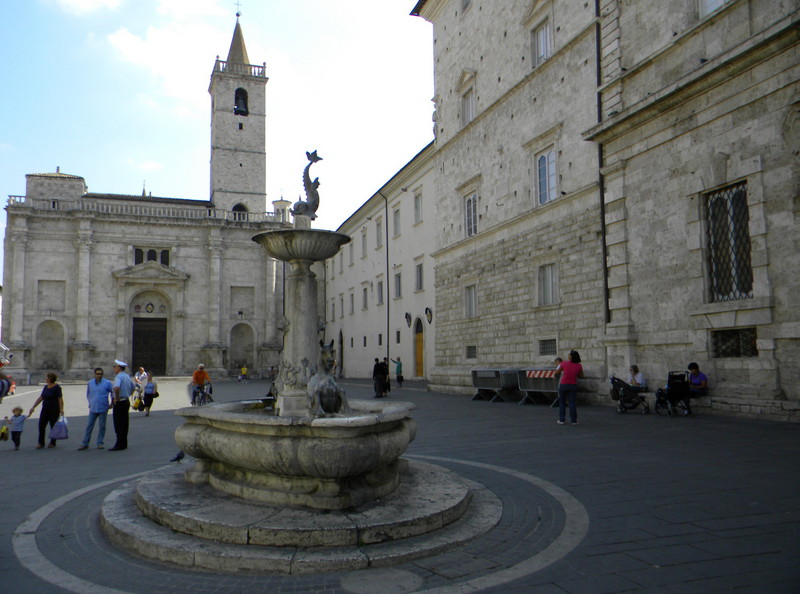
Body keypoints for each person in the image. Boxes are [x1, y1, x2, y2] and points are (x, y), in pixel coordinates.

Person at [79, 367, 113, 450]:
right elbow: (88, 394)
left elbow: (113, 393)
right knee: (89, 426)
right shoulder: (90, 383)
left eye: (101, 374)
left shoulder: (107, 383)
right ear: (94, 374)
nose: (99, 375)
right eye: (97, 374)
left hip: (103, 407)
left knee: (102, 426)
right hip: (93, 407)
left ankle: (100, 443)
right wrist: (90, 402)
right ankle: (85, 443)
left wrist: (112, 403)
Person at [28, 372, 64, 448]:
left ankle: (53, 442)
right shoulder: (46, 387)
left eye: (46, 377)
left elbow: (60, 399)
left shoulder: (57, 387)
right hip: (45, 409)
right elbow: (41, 397)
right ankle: (41, 443)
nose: (45, 379)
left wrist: (61, 409)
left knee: (53, 426)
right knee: (41, 425)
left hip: (54, 409)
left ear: (50, 379)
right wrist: (33, 406)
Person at [554, 350, 584, 425]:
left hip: (564, 384)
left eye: (569, 355)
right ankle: (574, 420)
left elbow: (557, 372)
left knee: (562, 402)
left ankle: (562, 419)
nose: (568, 355)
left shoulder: (564, 363)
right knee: (572, 403)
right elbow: (581, 376)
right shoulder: (579, 365)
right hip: (573, 384)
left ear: (571, 357)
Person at [109, 359, 134, 451]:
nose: (114, 368)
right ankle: (124, 443)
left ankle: (119, 444)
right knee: (124, 424)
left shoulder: (118, 377)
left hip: (120, 403)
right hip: (126, 401)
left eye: (115, 366)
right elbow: (133, 387)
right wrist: (127, 394)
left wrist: (117, 397)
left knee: (118, 424)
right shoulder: (127, 376)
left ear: (119, 367)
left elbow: (116, 387)